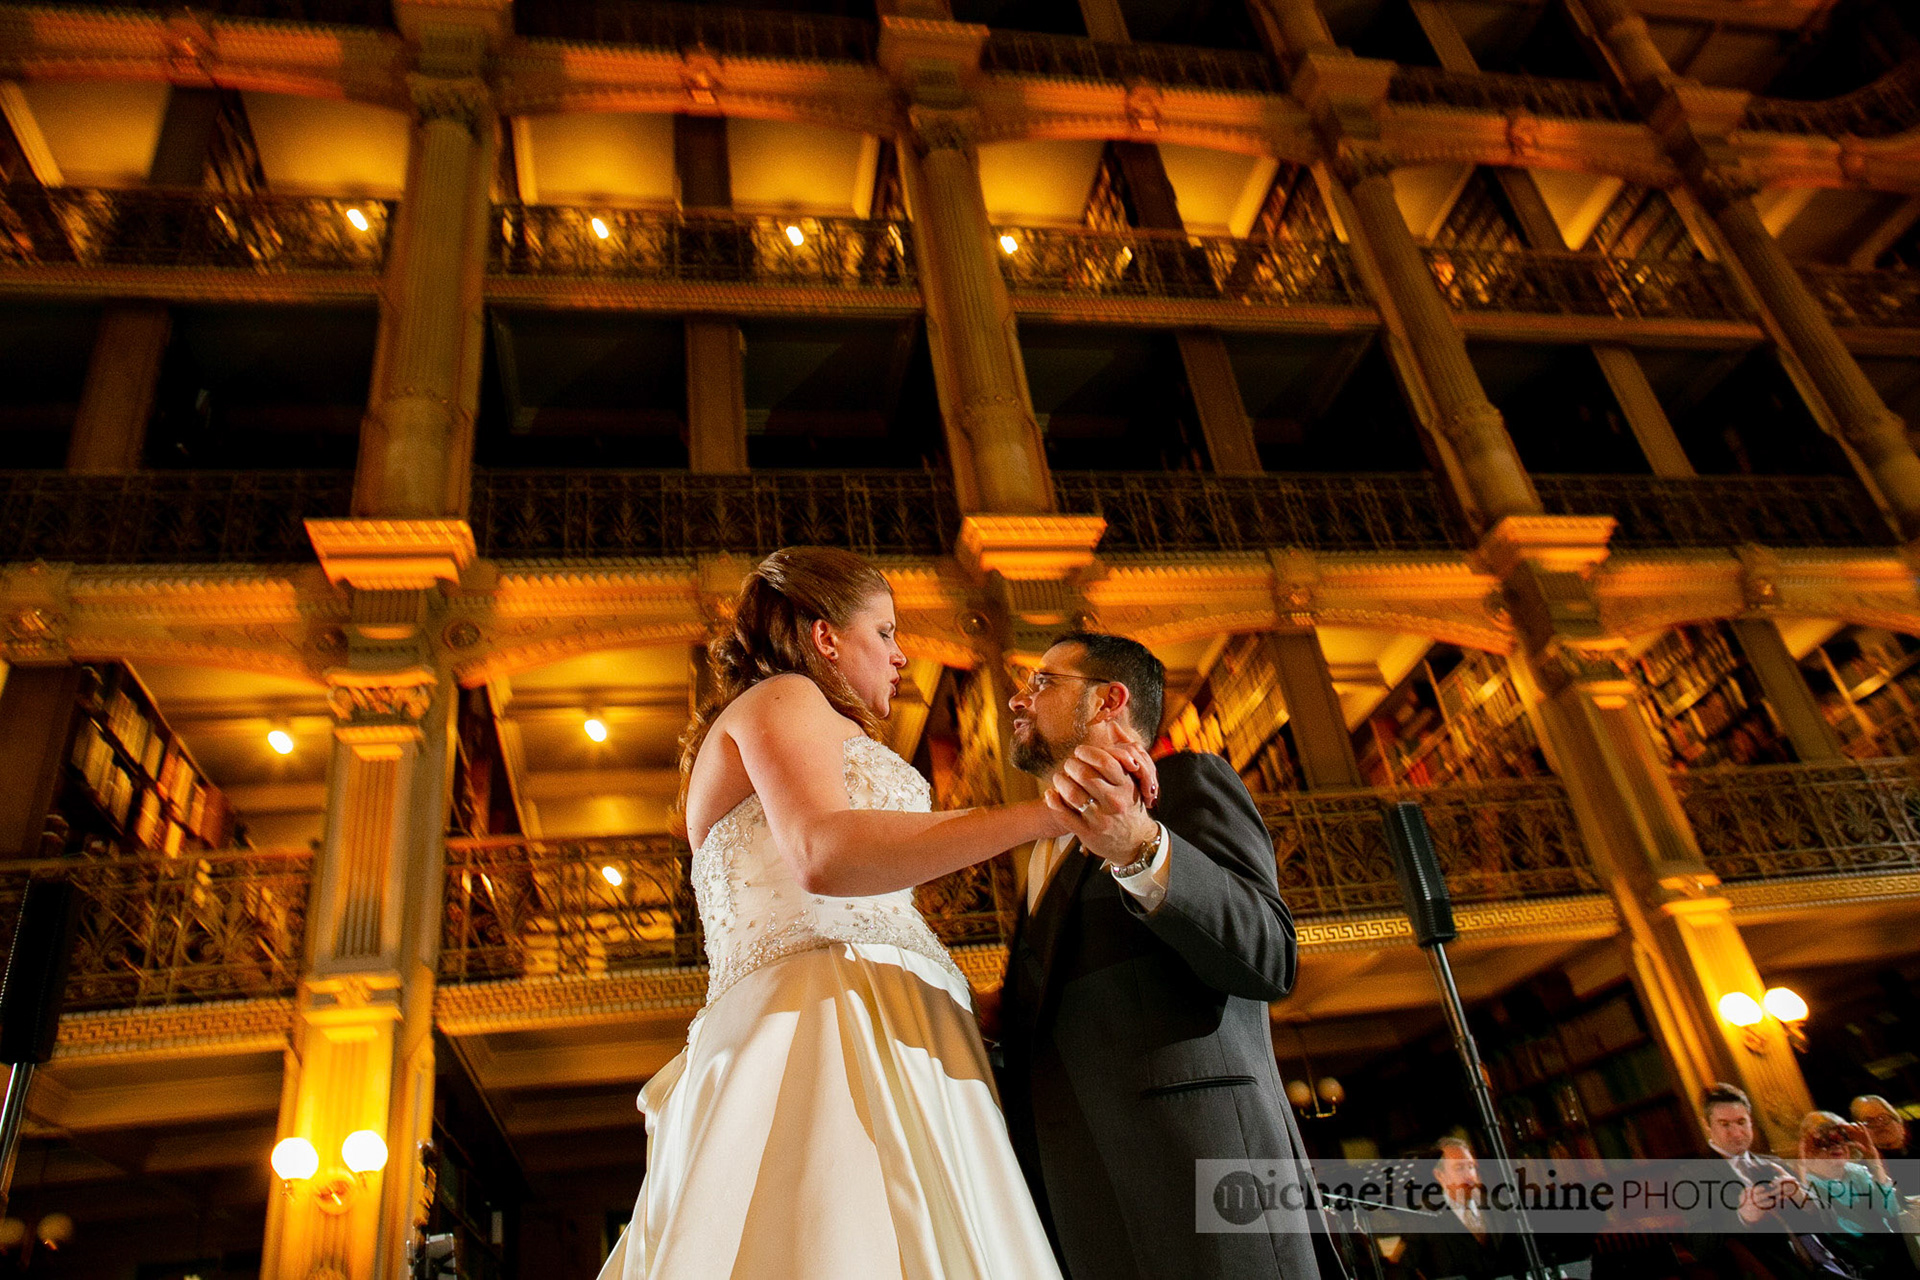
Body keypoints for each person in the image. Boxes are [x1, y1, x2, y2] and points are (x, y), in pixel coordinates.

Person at [597, 548, 1149, 1279]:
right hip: (825, 1017)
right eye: (884, 633)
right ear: (826, 637)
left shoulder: (817, 721)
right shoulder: (784, 697)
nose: (902, 655)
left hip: (887, 1012)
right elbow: (823, 855)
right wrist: (1045, 815)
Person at [994, 630, 1325, 1279]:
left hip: (1208, 1194)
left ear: (1108, 701)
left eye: (1041, 682)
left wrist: (1140, 847)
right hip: (1085, 1212)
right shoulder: (1039, 853)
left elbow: (1268, 956)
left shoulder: (1186, 784)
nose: (1016, 700)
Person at [1700, 1081, 1857, 1280]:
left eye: (1741, 1122)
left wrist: (1803, 1199)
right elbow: (1702, 1248)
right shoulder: (1694, 1174)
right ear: (1707, 1126)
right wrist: (1742, 1218)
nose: (1737, 1133)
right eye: (1725, 1124)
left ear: (1750, 1121)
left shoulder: (1774, 1164)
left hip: (1834, 1264)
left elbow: (1832, 1222)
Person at [1797, 1111, 1913, 1279]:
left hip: (1888, 1254)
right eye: (1824, 1141)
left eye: (1842, 1138)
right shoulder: (1806, 1182)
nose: (1836, 1146)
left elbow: (1890, 1211)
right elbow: (1814, 1219)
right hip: (1852, 1262)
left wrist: (1874, 1162)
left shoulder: (1857, 1172)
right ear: (1809, 1148)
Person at [1391, 1139, 1527, 1280]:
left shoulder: (1501, 1207)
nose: (1469, 1176)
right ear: (1440, 1175)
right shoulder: (1422, 1218)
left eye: (1471, 1167)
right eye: (1459, 1168)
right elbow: (1401, 1271)